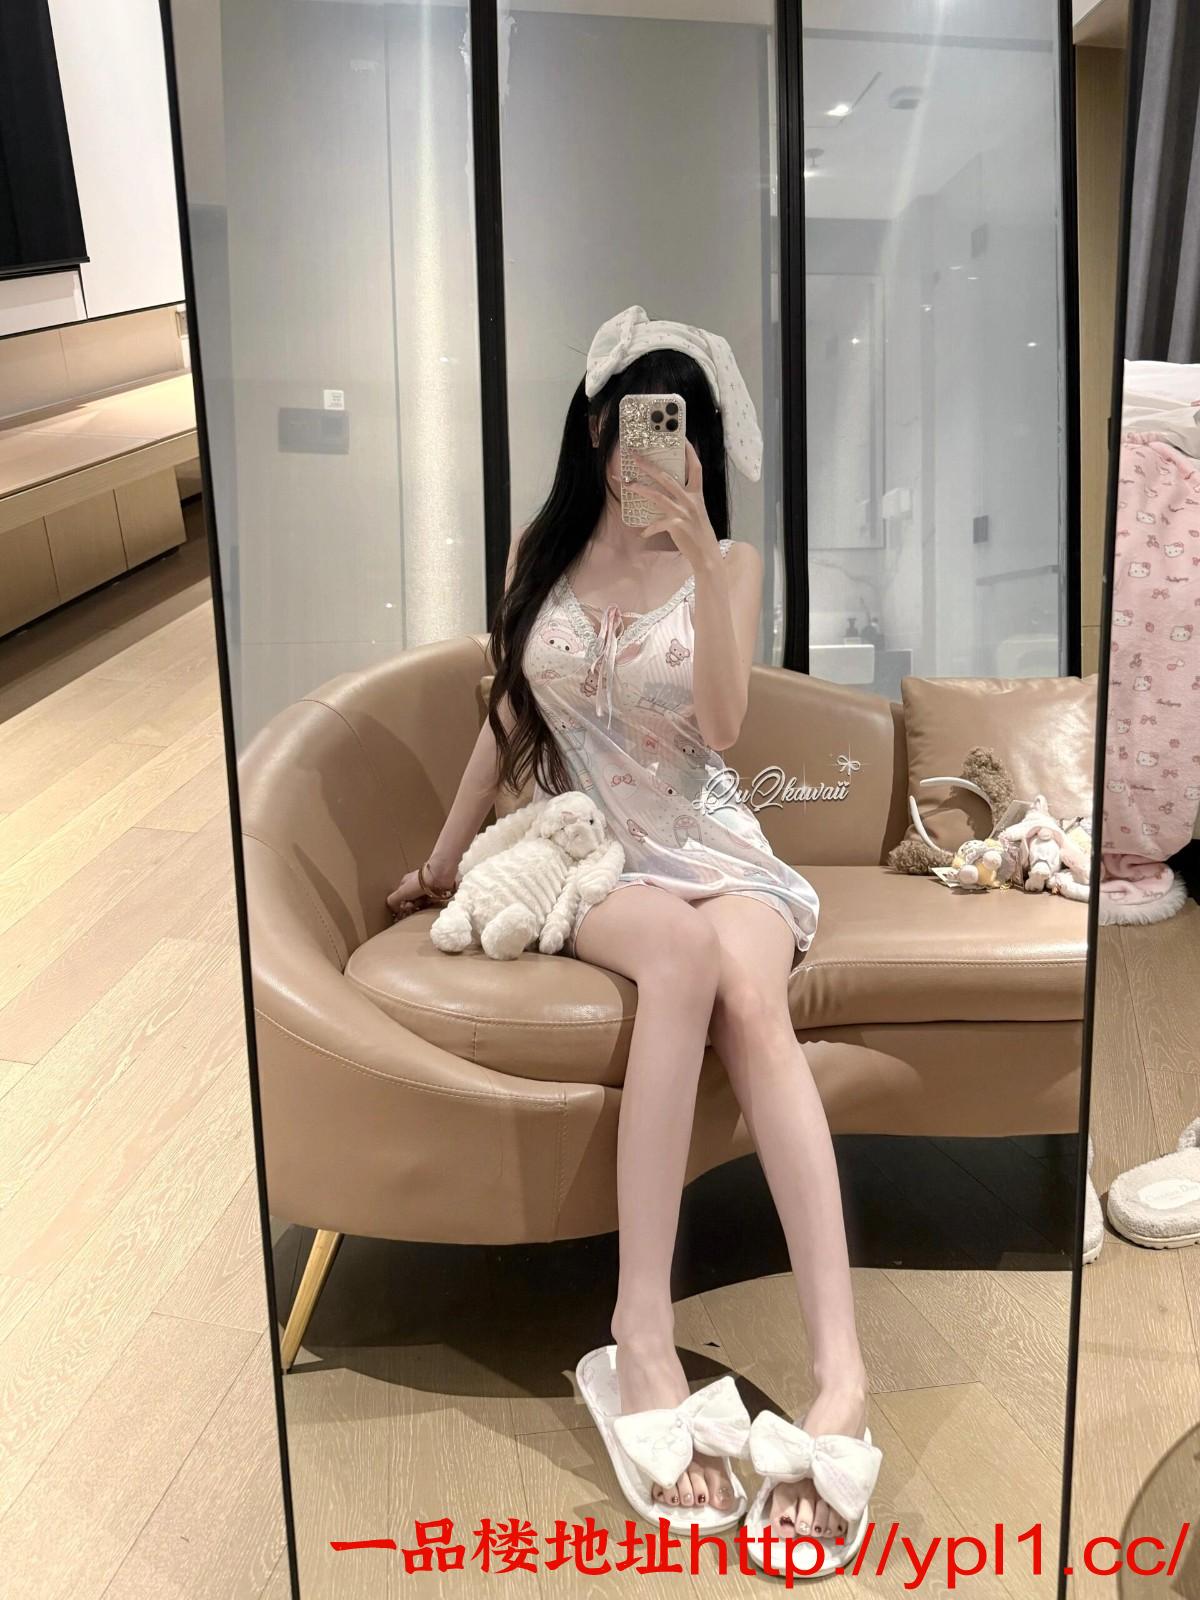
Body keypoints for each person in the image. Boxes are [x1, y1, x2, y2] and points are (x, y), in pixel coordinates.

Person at [388, 306, 875, 1555]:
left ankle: (842, 1378)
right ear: (597, 429)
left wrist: (703, 556)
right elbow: (509, 717)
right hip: (596, 851)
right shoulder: (540, 552)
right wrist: (442, 860)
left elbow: (724, 728)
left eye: (678, 428)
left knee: (752, 999)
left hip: (718, 848)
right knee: (679, 954)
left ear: (700, 444)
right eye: (634, 426)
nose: (649, 452)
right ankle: (640, 1331)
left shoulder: (735, 561)